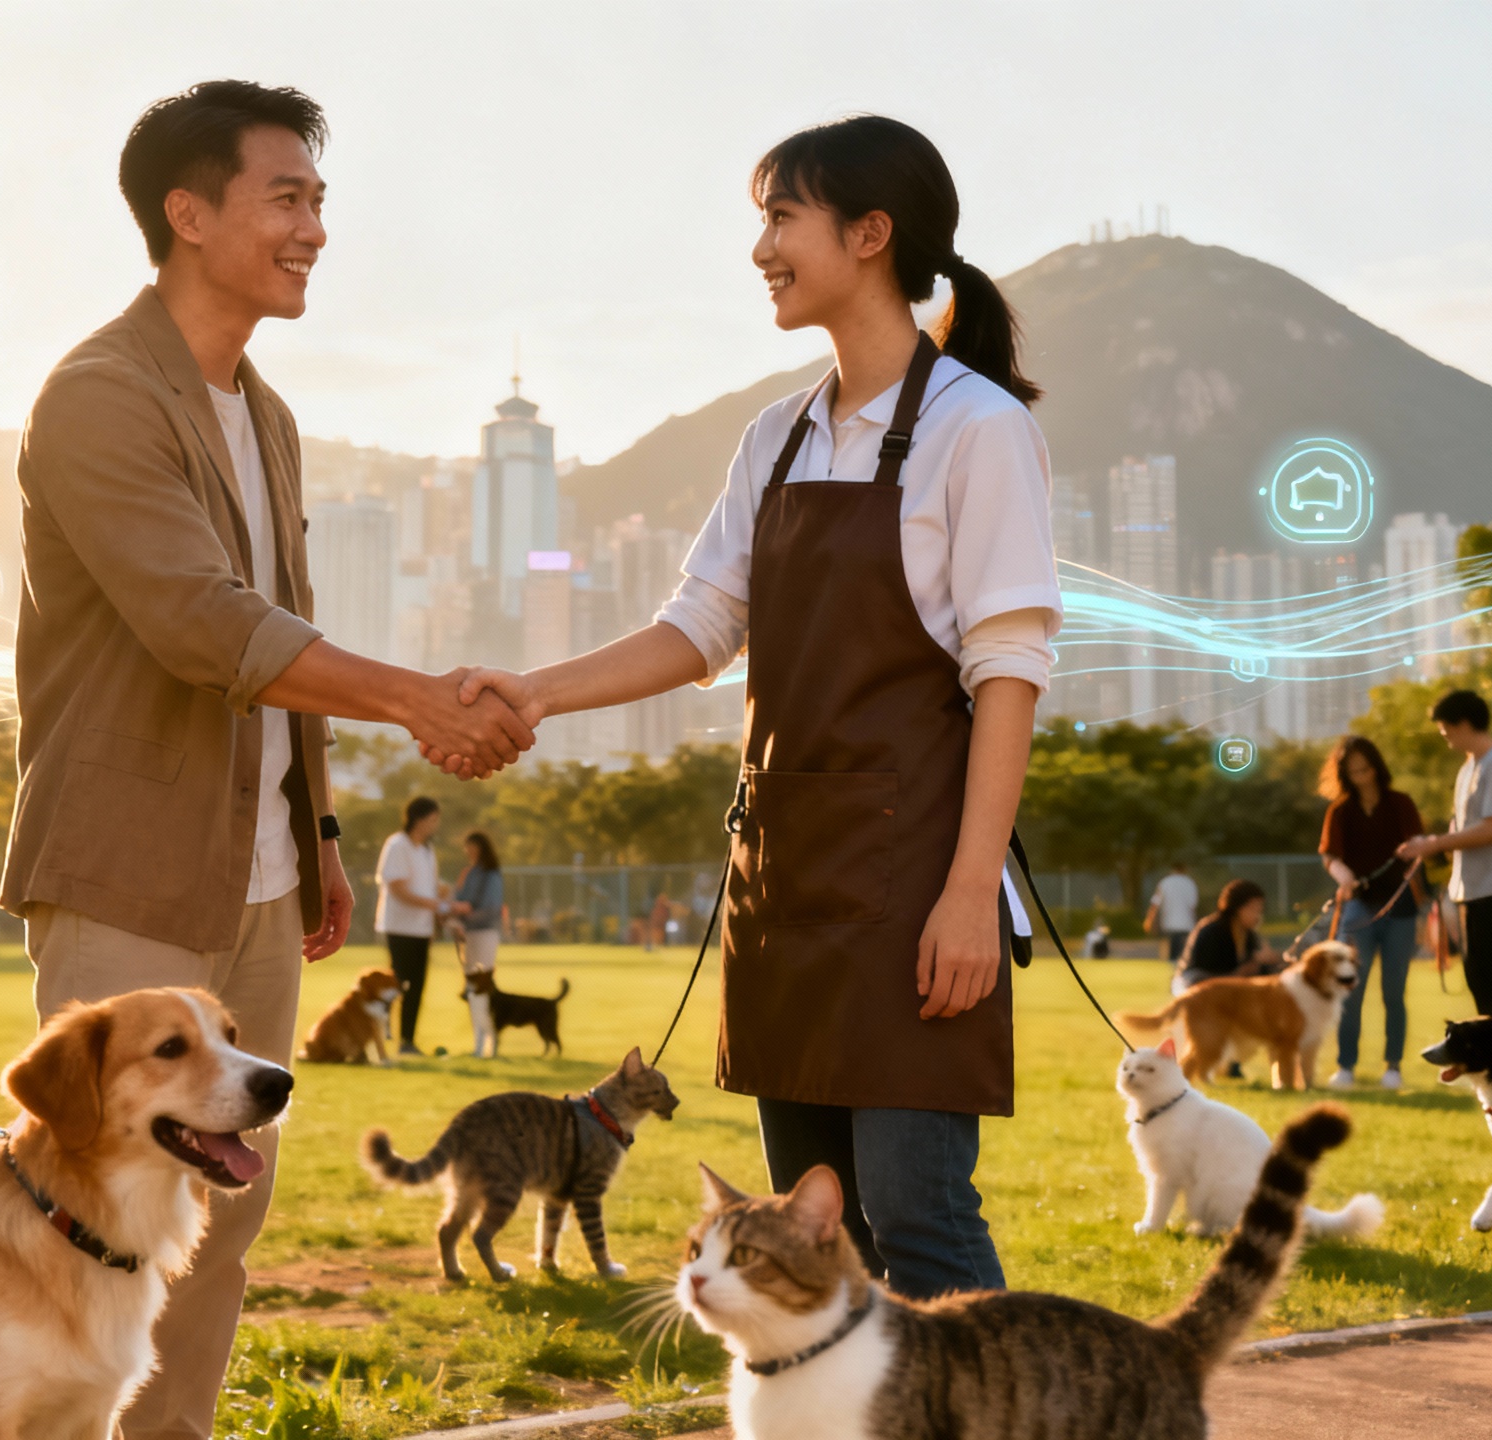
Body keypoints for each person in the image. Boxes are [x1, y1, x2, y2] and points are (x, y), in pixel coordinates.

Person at [0, 81, 537, 1440]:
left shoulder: (268, 414)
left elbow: (278, 621)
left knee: (220, 1217)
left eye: (319, 201)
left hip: (258, 884)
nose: (314, 230)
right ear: (187, 215)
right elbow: (204, 624)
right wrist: (417, 700)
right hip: (126, 871)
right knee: (91, 1219)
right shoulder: (98, 397)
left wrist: (321, 837)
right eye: (285, 198)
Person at [442, 115, 1057, 1299]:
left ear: (869, 234)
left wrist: (969, 892)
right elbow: (698, 628)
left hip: (913, 885)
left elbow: (1008, 669)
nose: (760, 248)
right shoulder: (774, 438)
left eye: (781, 218)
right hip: (781, 884)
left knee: (918, 1217)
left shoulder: (977, 428)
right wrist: (537, 691)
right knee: (809, 1240)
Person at [1397, 689, 1492, 1043]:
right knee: (1479, 977)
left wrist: (1434, 843)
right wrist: (1433, 846)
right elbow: (1463, 830)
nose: (1443, 735)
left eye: (1445, 728)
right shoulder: (1469, 769)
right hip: (1474, 890)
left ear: (1462, 723)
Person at [1316, 736, 1424, 1090]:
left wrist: (1414, 851)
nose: (1361, 776)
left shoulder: (1401, 803)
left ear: (1376, 767)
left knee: (1394, 992)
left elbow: (1420, 845)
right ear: (1344, 774)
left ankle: (1393, 1067)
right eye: (1353, 772)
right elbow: (1330, 856)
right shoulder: (1340, 811)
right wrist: (1343, 876)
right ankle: (1345, 1066)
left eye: (1365, 769)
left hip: (1400, 908)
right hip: (1358, 908)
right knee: (1350, 989)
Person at [374, 797, 445, 1055]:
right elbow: (397, 887)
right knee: (396, 984)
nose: (435, 825)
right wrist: (435, 905)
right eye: (432, 819)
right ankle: (380, 1034)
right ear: (418, 819)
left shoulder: (427, 850)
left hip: (421, 928)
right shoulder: (398, 845)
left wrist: (441, 907)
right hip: (399, 927)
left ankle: (407, 1041)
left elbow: (431, 887)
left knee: (417, 986)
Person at [1175, 879, 1274, 992]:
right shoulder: (1212, 932)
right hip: (1196, 990)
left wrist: (1268, 961)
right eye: (1253, 909)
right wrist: (1241, 972)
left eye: (1260, 911)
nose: (1257, 916)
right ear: (1238, 908)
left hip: (1225, 991)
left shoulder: (1249, 936)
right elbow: (1205, 973)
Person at [455, 830, 505, 979]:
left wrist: (467, 918)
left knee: (483, 977)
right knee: (470, 976)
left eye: (472, 847)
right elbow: (461, 899)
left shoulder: (491, 874)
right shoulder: (470, 873)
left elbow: (491, 907)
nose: (468, 852)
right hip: (470, 931)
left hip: (486, 930)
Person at [1143, 861, 1198, 964]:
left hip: (1169, 923)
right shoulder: (1190, 883)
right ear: (1185, 870)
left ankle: (1171, 968)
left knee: (1170, 953)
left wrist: (1149, 920)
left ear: (1172, 870)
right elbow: (1193, 906)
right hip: (1186, 924)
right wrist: (1196, 924)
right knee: (1183, 954)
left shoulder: (1165, 882)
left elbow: (1155, 904)